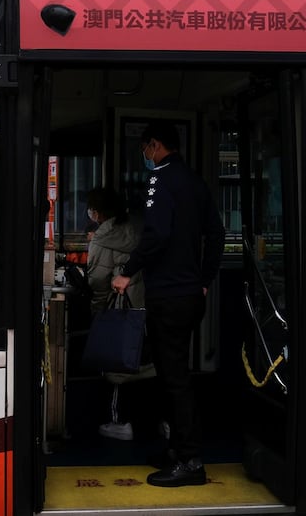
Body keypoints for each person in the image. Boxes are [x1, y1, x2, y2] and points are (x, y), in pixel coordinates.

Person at [112, 121, 225, 487]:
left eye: (145, 149)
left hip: (169, 295)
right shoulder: (194, 181)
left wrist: (127, 271)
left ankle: (190, 460)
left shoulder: (160, 179)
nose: (145, 156)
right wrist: (205, 280)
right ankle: (177, 449)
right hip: (191, 296)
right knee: (176, 376)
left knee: (173, 380)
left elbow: (156, 233)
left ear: (156, 146)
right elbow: (217, 234)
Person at [85, 187, 149, 442]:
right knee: (150, 362)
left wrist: (97, 311)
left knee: (118, 365)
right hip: (149, 304)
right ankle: (163, 421)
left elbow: (98, 280)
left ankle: (120, 421)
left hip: (121, 306)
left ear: (97, 213)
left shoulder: (103, 237)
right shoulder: (142, 226)